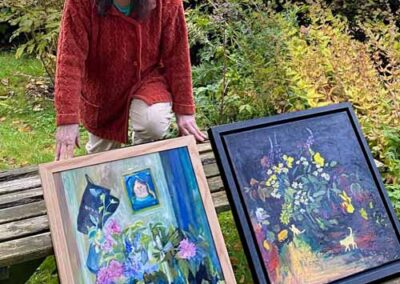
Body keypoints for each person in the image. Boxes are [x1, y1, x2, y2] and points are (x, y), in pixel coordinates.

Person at [54, 0, 206, 161]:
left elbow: (177, 57)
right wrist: (67, 119)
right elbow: (69, 61)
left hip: (146, 79)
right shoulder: (79, 3)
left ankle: (143, 158)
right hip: (102, 88)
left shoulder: (168, 3)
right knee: (102, 165)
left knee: (152, 121)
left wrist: (184, 111)